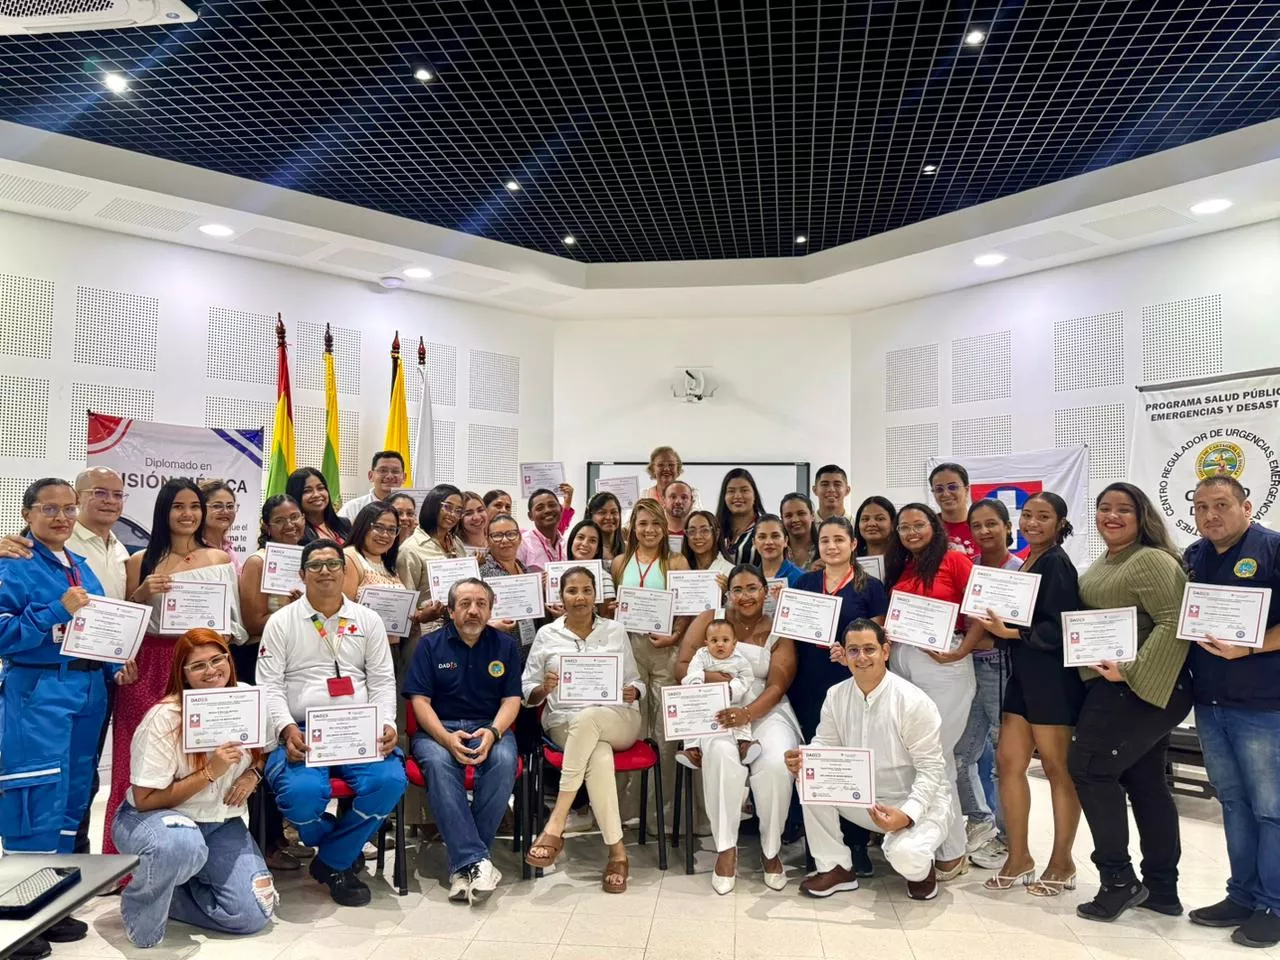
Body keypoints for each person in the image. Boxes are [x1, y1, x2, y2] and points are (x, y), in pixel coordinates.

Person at [0, 478, 139, 959]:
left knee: (74, 797)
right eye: (49, 509)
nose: (61, 517)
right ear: (27, 514)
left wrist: (116, 662)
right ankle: (18, 913)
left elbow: (97, 627)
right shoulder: (12, 563)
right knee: (36, 793)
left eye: (68, 509)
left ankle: (53, 904)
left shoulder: (79, 566)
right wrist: (52, 610)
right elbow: (3, 637)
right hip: (38, 691)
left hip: (87, 690)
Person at [256, 539, 406, 906]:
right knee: (301, 796)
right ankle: (341, 850)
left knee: (389, 781)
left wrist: (386, 722)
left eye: (332, 564)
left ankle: (332, 861)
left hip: (358, 727)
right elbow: (269, 684)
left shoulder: (368, 619)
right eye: (315, 565)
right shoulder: (281, 622)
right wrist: (285, 728)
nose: (325, 571)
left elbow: (382, 680)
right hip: (302, 730)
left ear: (344, 570)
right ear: (302, 573)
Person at [1069, 482, 1191, 922]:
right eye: (1104, 508)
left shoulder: (1152, 559)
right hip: (1121, 686)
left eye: (1123, 509)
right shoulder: (1107, 560)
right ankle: (1161, 888)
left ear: (1142, 516)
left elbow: (1174, 621)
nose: (1112, 516)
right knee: (1145, 783)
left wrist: (1132, 671)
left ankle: (1119, 881)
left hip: (1139, 688)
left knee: (1089, 769)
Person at [105, 479, 245, 856]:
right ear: (163, 511)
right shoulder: (140, 561)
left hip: (202, 668)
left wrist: (219, 643)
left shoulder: (219, 560)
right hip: (151, 665)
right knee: (137, 761)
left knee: (197, 756)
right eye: (178, 507)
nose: (188, 514)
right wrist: (143, 592)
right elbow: (126, 623)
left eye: (195, 506)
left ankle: (190, 854)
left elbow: (233, 625)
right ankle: (126, 861)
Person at [112, 629, 274, 947]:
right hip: (156, 820)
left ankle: (169, 892)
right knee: (181, 844)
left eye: (217, 659)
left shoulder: (247, 698)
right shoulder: (164, 717)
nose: (211, 670)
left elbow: (265, 749)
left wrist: (253, 774)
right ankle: (142, 907)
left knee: (252, 914)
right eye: (198, 666)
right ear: (182, 673)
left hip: (220, 821)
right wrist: (209, 773)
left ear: (230, 659)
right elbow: (145, 800)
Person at [789, 619, 952, 901]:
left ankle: (921, 869)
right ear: (844, 654)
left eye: (869, 649)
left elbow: (932, 769)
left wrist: (908, 814)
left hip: (915, 801)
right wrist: (804, 759)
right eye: (853, 650)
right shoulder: (836, 695)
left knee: (906, 856)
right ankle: (836, 867)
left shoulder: (912, 701)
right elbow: (824, 745)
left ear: (885, 651)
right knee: (809, 775)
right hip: (864, 798)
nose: (861, 657)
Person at [1182, 476, 1280, 946]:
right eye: (1201, 507)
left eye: (1221, 504)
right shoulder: (1194, 556)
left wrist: (1251, 647)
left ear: (1247, 507)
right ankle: (1242, 894)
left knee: (1271, 808)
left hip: (1263, 704)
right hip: (1211, 702)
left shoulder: (1272, 550)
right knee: (1234, 803)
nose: (1210, 515)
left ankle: (1274, 904)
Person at [974, 492, 1084, 895]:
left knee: (1057, 770)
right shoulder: (1028, 561)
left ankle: (1063, 862)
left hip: (1053, 680)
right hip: (1022, 677)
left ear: (1060, 523)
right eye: (1028, 515)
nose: (1032, 523)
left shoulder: (1056, 563)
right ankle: (1019, 857)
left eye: (1043, 517)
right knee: (1008, 763)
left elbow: (1059, 627)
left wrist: (1010, 632)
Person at [676, 565, 801, 892]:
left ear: (765, 591)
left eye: (752, 588)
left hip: (766, 708)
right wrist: (717, 680)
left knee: (776, 764)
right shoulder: (710, 619)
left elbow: (778, 685)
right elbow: (682, 667)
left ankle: (771, 850)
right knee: (720, 754)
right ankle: (725, 849)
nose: (745, 596)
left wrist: (747, 713)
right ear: (728, 593)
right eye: (738, 590)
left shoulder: (778, 627)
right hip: (718, 706)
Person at [524, 567, 645, 892]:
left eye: (586, 590)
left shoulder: (615, 630)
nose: (580, 598)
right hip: (565, 722)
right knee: (599, 755)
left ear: (596, 595)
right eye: (572, 591)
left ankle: (556, 821)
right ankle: (617, 853)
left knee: (590, 719)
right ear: (561, 597)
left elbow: (636, 681)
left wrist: (634, 691)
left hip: (618, 719)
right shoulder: (547, 635)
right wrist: (544, 689)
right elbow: (527, 690)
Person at [884, 502, 984, 880]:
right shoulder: (903, 565)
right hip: (903, 661)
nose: (911, 532)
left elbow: (980, 611)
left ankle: (951, 852)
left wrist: (962, 650)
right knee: (913, 756)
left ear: (934, 526)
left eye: (919, 525)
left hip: (945, 664)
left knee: (934, 757)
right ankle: (924, 842)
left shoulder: (955, 561)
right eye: (904, 527)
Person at [404, 579, 521, 904]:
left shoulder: (505, 646)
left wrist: (494, 732)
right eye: (465, 604)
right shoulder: (430, 646)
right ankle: (478, 861)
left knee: (504, 761)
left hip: (489, 726)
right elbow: (419, 702)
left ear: (490, 610)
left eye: (481, 604)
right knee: (439, 764)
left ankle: (464, 866)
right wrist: (445, 737)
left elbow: (512, 699)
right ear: (451, 610)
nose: (473, 611)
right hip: (438, 729)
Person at [790, 516, 889, 875]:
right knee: (814, 760)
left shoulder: (870, 587)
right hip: (808, 684)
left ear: (853, 544)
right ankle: (819, 846)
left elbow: (877, 641)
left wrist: (850, 654)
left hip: (852, 685)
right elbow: (793, 630)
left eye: (839, 540)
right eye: (825, 541)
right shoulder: (805, 582)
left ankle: (856, 843)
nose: (831, 546)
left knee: (850, 762)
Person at [237, 493, 306, 871]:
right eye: (280, 520)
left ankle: (281, 837)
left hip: (297, 663)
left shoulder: (310, 559)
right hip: (259, 662)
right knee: (262, 750)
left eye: (295, 517)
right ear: (266, 525)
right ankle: (264, 841)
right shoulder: (258, 562)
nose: (290, 525)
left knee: (284, 751)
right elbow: (252, 622)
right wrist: (296, 609)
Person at [611, 498, 690, 825]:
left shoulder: (676, 562)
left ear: (665, 528)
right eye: (643, 524)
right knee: (631, 725)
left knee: (664, 730)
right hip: (629, 648)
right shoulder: (620, 562)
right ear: (633, 528)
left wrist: (676, 635)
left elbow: (688, 608)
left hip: (665, 649)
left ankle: (663, 811)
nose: (650, 530)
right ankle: (627, 808)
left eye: (656, 523)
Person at [953, 498, 1020, 867]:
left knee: (1002, 759)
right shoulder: (968, 567)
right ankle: (981, 822)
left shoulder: (1021, 570)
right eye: (976, 526)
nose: (983, 531)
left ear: (1008, 527)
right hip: (965, 672)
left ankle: (1010, 839)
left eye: (991, 524)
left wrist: (985, 642)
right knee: (960, 754)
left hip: (1001, 672)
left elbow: (1022, 633)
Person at [677, 618, 762, 767]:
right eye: (714, 640)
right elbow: (693, 671)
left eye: (725, 640)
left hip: (731, 698)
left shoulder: (739, 659)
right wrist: (697, 686)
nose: (720, 644)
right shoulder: (702, 655)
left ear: (734, 643)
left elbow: (747, 677)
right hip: (706, 698)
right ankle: (692, 750)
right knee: (692, 716)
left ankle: (744, 744)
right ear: (706, 643)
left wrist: (732, 689)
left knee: (738, 713)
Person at [478, 513, 537, 652]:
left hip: (528, 648)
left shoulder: (526, 570)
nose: (505, 540)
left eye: (511, 534)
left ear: (519, 538)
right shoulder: (481, 574)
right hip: (497, 650)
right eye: (497, 535)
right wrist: (488, 625)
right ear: (487, 540)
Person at [342, 501, 405, 600]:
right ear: (363, 526)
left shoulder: (387, 561)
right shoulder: (350, 557)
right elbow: (344, 605)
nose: (385, 535)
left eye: (391, 530)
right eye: (378, 527)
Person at [563, 518, 618, 616]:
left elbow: (605, 616)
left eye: (592, 540)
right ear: (572, 541)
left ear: (597, 549)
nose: (585, 544)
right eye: (580, 537)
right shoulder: (556, 574)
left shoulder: (604, 578)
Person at [928, 463, 979, 561]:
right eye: (939, 489)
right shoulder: (928, 528)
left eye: (952, 487)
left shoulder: (981, 526)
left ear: (966, 490)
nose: (946, 494)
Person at [287, 467, 351, 545]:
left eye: (320, 488)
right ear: (295, 495)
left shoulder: (344, 524)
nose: (316, 495)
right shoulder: (294, 531)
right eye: (307, 491)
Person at [339, 450, 407, 521]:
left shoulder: (411, 509)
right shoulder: (353, 508)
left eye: (395, 471)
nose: (389, 476)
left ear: (404, 477)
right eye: (383, 471)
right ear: (370, 476)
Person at [715, 468, 764, 566]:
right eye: (731, 491)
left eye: (744, 490)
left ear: (754, 495)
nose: (737, 496)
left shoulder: (765, 528)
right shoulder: (716, 530)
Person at [517, 488, 567, 571]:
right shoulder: (522, 544)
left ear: (561, 509)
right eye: (540, 508)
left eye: (552, 505)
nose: (547, 510)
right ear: (530, 516)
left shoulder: (566, 544)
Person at [199, 479, 242, 573]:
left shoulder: (228, 549)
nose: (225, 511)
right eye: (217, 506)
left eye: (230, 506)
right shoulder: (192, 548)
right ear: (200, 508)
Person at [681, 509, 735, 581]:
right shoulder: (680, 568)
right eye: (692, 531)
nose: (697, 536)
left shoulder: (729, 571)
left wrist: (727, 588)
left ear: (717, 534)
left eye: (705, 531)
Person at [755, 514, 806, 587]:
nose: (769, 542)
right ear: (754, 543)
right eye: (762, 537)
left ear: (785, 541)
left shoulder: (801, 577)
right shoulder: (749, 578)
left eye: (775, 536)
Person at [780, 493, 818, 570]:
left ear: (812, 516)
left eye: (801, 514)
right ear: (782, 519)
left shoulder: (825, 550)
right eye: (788, 516)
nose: (795, 520)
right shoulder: (776, 552)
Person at [587, 490, 626, 561]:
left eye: (614, 512)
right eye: (602, 512)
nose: (609, 517)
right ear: (591, 516)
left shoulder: (629, 549)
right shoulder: (585, 548)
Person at [855, 496, 897, 560]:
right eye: (865, 519)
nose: (871, 523)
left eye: (880, 519)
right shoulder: (849, 560)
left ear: (893, 524)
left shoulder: (905, 560)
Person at [458, 491, 489, 555]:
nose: (477, 517)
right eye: (468, 513)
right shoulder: (456, 549)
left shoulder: (496, 543)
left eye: (480, 510)